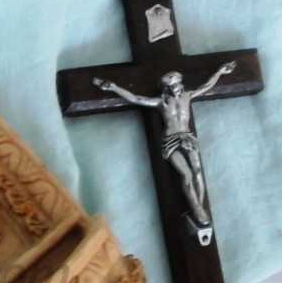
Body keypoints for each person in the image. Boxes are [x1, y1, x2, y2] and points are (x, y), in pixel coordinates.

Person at [93, 61, 236, 228]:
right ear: (166, 88)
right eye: (172, 85)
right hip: (170, 140)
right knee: (187, 174)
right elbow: (136, 98)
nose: (176, 87)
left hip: (188, 136)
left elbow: (207, 86)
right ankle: (197, 209)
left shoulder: (188, 96)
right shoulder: (161, 102)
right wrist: (114, 87)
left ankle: (198, 208)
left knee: (198, 172)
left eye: (177, 83)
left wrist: (220, 72)